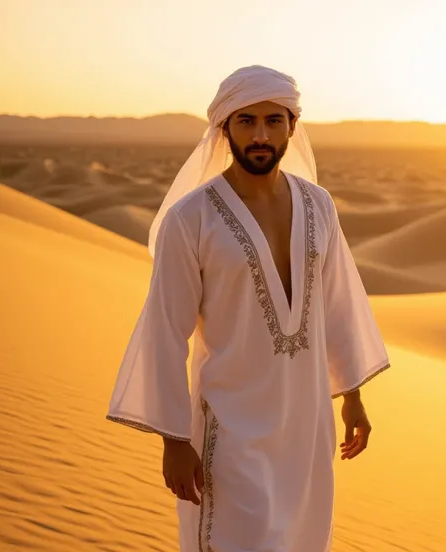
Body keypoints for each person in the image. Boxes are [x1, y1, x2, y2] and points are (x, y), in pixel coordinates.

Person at [105, 65, 390, 552]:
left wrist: (353, 395)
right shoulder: (190, 219)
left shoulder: (319, 205)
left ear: (292, 127)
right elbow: (164, 332)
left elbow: (339, 303)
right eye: (246, 121)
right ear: (225, 128)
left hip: (305, 426)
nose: (260, 135)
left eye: (273, 121)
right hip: (230, 431)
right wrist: (175, 440)